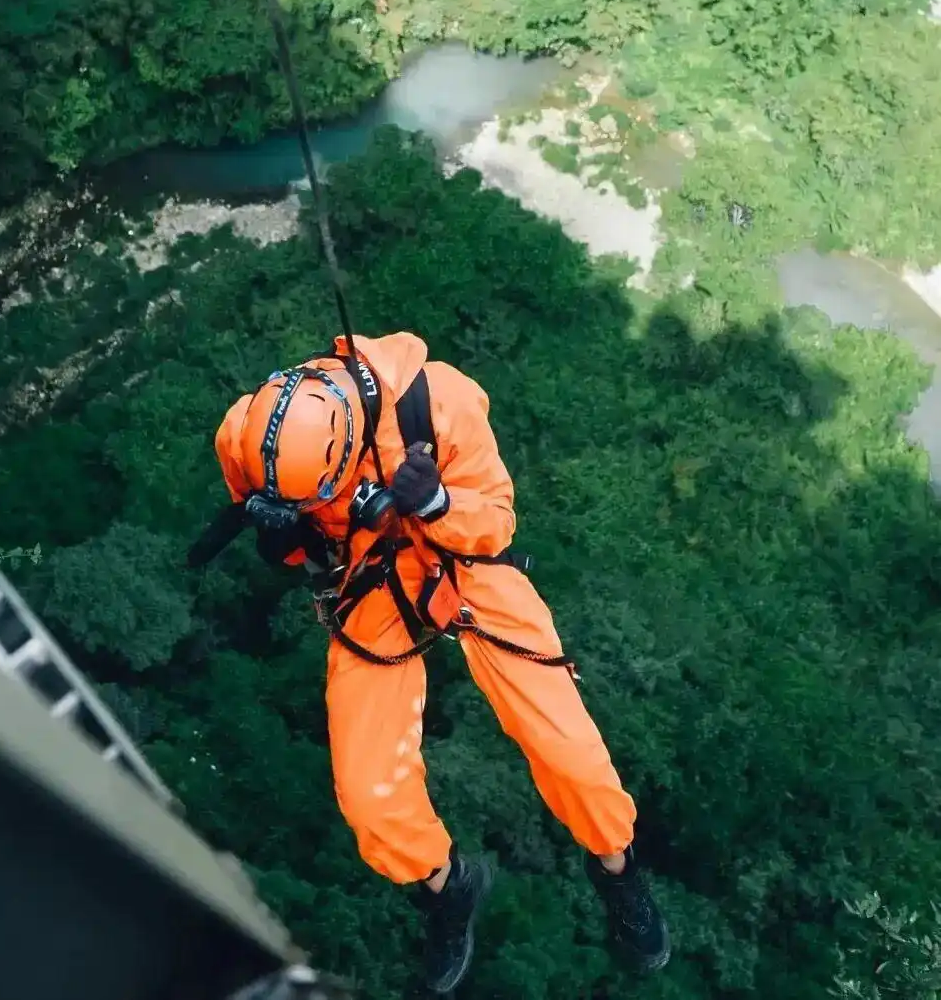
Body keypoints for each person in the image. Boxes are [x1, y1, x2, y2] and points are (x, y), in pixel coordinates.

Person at [212, 331, 670, 994]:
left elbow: (498, 522)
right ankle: (445, 888)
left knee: (574, 757)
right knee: (370, 798)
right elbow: (301, 548)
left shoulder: (437, 402)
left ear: (349, 448)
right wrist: (287, 535)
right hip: (371, 578)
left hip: (464, 561)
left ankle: (619, 871)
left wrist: (434, 503)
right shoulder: (247, 439)